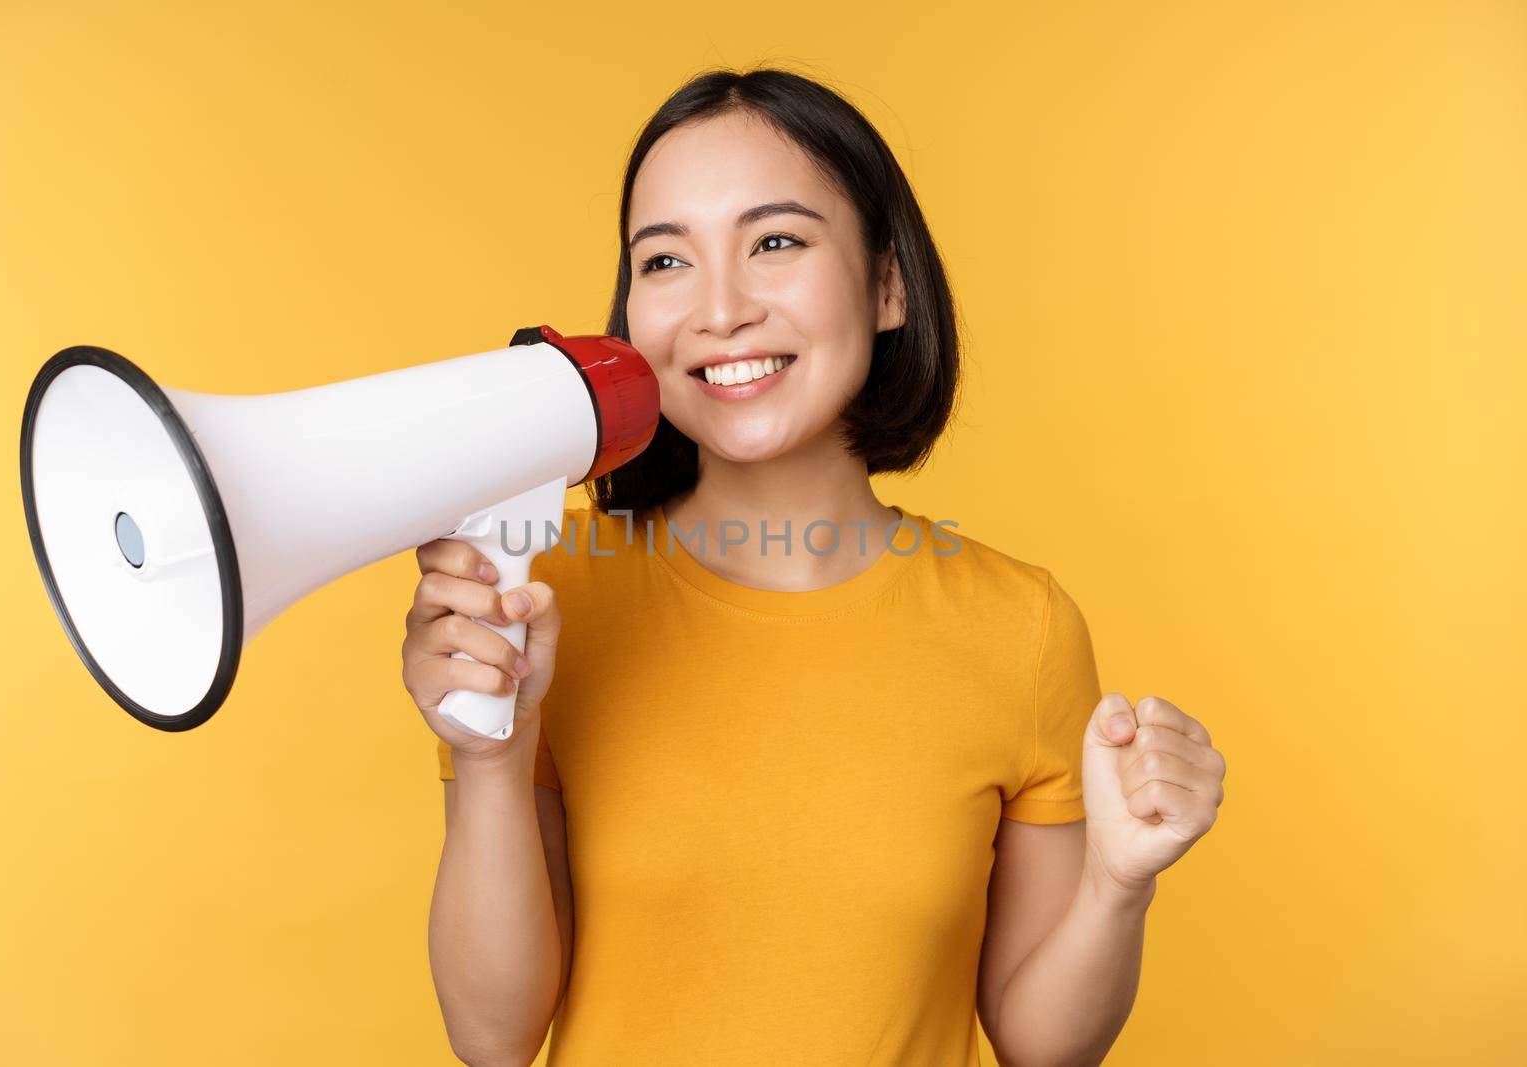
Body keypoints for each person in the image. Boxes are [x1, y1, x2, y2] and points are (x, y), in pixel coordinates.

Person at [402, 67, 1226, 1067]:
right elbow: (491, 1037)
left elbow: (1040, 1044)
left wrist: (1119, 880)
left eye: (776, 242)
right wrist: (493, 753)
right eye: (664, 261)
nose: (718, 309)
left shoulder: (1024, 628)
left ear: (887, 284)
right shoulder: (543, 598)